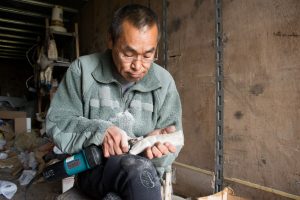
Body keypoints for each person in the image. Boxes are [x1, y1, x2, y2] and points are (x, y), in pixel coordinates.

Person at [46, 4, 183, 200]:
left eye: (147, 55)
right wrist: (100, 132)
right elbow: (56, 122)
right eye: (128, 54)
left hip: (146, 175)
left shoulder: (164, 82)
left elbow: (174, 138)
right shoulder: (83, 71)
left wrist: (157, 149)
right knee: (135, 172)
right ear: (111, 39)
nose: (137, 66)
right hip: (94, 171)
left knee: (133, 180)